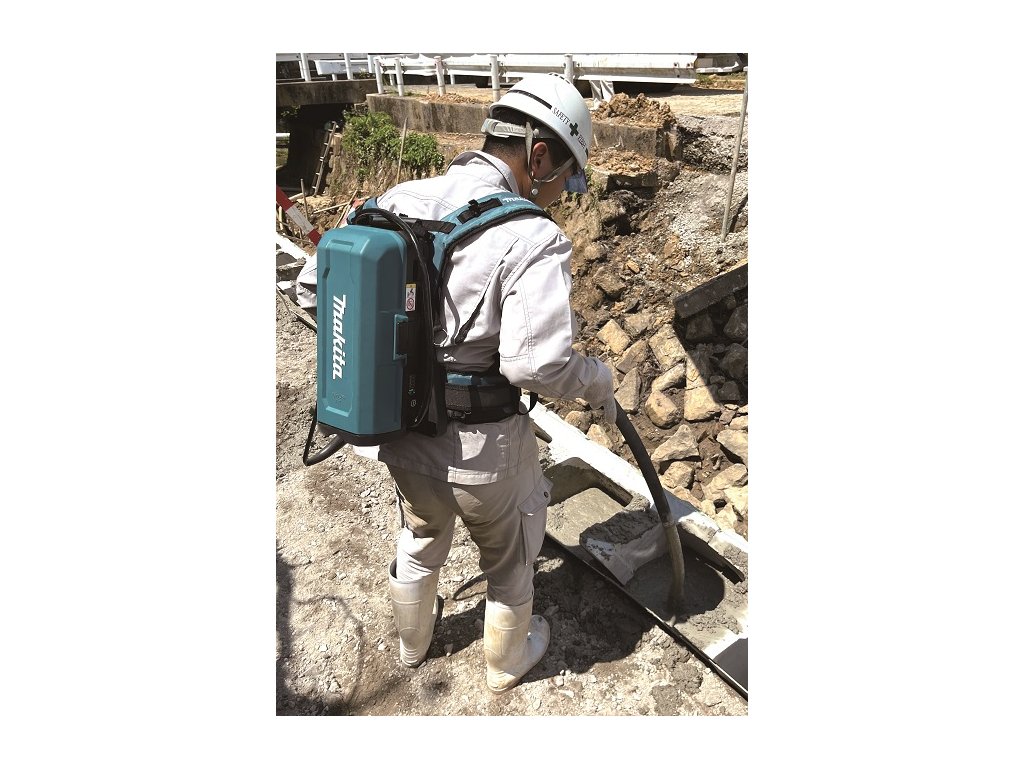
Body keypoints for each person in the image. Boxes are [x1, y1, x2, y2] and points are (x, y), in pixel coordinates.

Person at [360, 73, 617, 694]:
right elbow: (538, 366)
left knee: (422, 531)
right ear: (538, 155)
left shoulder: (398, 198)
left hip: (400, 432)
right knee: (510, 559)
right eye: (567, 177)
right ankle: (505, 664)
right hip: (484, 454)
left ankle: (412, 646)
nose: (563, 194)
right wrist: (597, 380)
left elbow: (324, 286)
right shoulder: (532, 236)